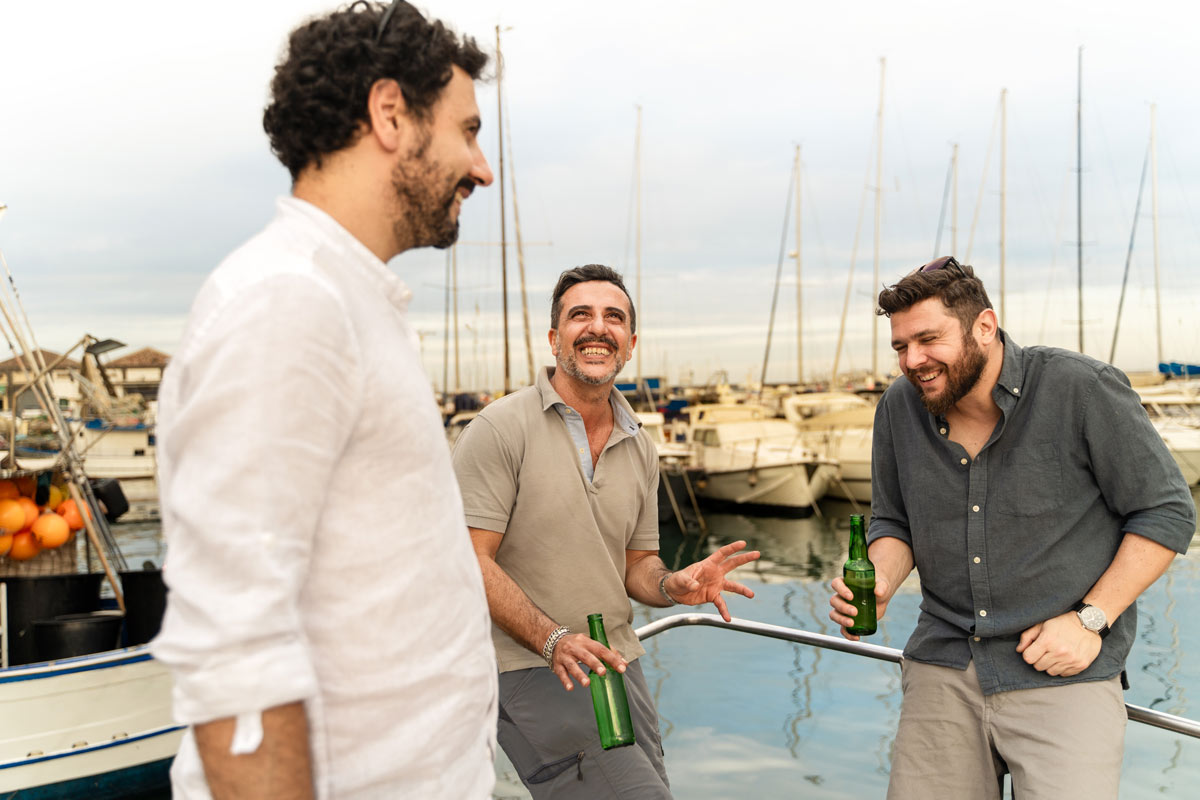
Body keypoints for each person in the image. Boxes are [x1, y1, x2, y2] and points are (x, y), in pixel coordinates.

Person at [151, 2, 498, 797]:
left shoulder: (351, 301)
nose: (482, 169)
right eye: (468, 131)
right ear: (389, 114)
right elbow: (235, 651)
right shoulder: (289, 302)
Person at [829, 256, 1196, 800]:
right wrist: (880, 580)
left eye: (928, 339)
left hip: (1064, 669)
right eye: (901, 346)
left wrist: (1090, 620)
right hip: (943, 665)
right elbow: (894, 520)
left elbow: (1166, 511)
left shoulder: (1082, 388)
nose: (913, 360)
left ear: (985, 325)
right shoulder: (898, 408)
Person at [452, 264, 760, 799]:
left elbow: (635, 565)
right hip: (526, 663)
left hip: (615, 662)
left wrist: (674, 585)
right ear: (554, 339)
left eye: (613, 317)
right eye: (580, 316)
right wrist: (553, 640)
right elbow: (466, 562)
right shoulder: (499, 429)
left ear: (630, 343)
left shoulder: (639, 442)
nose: (598, 328)